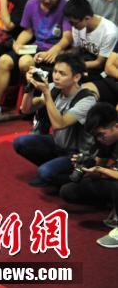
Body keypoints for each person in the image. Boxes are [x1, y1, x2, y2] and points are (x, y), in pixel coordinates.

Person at [14, 52, 96, 187]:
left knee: (45, 173)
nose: (56, 77)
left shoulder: (87, 100)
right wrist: (30, 87)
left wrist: (46, 93)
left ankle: (81, 178)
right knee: (20, 142)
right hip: (58, 144)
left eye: (62, 74)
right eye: (55, 71)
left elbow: (59, 124)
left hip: (77, 155)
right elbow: (25, 109)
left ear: (76, 77)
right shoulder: (54, 88)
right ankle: (53, 168)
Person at [58, 102, 118, 248]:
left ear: (116, 126)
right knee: (68, 190)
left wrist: (101, 170)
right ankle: (112, 206)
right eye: (96, 136)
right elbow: (100, 166)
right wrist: (85, 164)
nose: (99, 139)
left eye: (101, 134)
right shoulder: (107, 141)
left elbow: (103, 170)